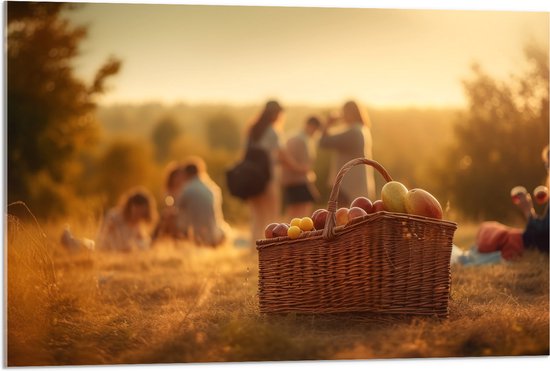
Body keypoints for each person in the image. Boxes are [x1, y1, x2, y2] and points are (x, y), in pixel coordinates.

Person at [453, 145, 549, 265]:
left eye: (548, 164)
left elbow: (545, 232)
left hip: (524, 241)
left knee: (489, 231)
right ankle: (469, 256)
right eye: (546, 165)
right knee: (488, 230)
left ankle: (467, 258)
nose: (547, 169)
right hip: (524, 238)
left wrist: (529, 211)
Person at [245, 100, 309, 242]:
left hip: (251, 180)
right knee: (271, 218)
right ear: (275, 114)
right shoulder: (272, 131)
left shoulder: (253, 130)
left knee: (257, 217)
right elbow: (283, 156)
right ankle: (268, 250)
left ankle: (254, 249)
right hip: (268, 179)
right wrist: (300, 169)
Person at [319, 100, 376, 207]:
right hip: (357, 182)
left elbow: (324, 142)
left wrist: (328, 123)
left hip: (347, 184)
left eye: (343, 112)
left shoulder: (353, 132)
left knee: (343, 218)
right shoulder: (362, 129)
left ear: (350, 113)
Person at [175, 157, 230, 247]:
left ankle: (174, 243)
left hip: (199, 237)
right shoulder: (212, 188)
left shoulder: (187, 189)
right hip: (217, 234)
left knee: (171, 216)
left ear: (186, 174)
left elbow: (177, 208)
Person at [281, 116, 322, 220]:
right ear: (311, 126)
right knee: (299, 213)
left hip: (293, 181)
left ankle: (292, 233)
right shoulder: (301, 140)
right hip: (298, 182)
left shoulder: (296, 137)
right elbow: (303, 166)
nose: (315, 134)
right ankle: (295, 235)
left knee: (296, 213)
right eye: (316, 130)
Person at [96, 187, 158, 252]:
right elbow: (103, 239)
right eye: (137, 209)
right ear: (129, 207)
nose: (138, 214)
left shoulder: (138, 226)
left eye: (141, 211)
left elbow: (143, 243)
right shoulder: (114, 217)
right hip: (107, 251)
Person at [152, 162, 187, 241]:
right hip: (171, 215)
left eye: (181, 177)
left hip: (181, 216)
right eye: (176, 177)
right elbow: (167, 204)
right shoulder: (168, 191)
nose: (178, 179)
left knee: (168, 218)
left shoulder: (185, 191)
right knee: (166, 216)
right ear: (172, 178)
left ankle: (157, 239)